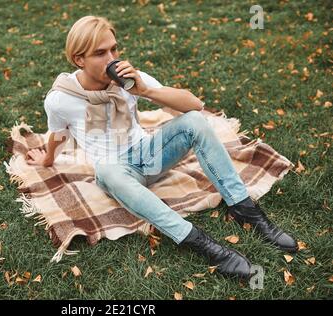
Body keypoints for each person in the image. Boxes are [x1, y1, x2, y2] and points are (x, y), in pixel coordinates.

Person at [26, 16, 298, 279]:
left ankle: (245, 210)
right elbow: (58, 133)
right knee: (107, 171)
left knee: (193, 122)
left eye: (114, 48)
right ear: (79, 59)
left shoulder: (128, 80)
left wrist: (144, 90)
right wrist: (48, 159)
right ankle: (202, 243)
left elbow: (194, 105)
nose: (112, 59)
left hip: (151, 157)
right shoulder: (61, 99)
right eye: (100, 53)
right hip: (118, 173)